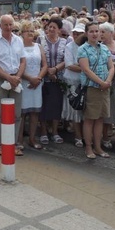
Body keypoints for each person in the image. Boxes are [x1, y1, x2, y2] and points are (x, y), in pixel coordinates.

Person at [0, 14, 26, 155]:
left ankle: (14, 144)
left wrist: (17, 77)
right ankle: (0, 143)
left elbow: (23, 61)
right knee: (0, 113)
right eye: (6, 25)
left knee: (16, 114)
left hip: (16, 78)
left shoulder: (18, 40)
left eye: (11, 25)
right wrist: (8, 78)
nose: (9, 28)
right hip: (1, 79)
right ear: (0, 26)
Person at [78, 22, 114, 159]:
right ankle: (88, 147)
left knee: (100, 118)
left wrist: (108, 81)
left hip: (104, 88)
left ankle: (98, 147)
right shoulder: (83, 49)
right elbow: (86, 70)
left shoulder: (104, 48)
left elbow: (111, 66)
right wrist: (101, 83)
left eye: (96, 31)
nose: (94, 34)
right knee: (90, 119)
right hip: (92, 88)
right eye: (91, 31)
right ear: (87, 33)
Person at [18, 21, 46, 150]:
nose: (30, 33)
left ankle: (32, 139)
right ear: (21, 33)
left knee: (35, 112)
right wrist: (30, 78)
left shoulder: (38, 46)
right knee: (22, 113)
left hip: (37, 83)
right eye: (27, 30)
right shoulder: (18, 47)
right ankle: (19, 140)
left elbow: (45, 65)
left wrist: (38, 78)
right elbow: (17, 67)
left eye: (32, 30)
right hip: (24, 83)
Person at [38, 17, 66, 145]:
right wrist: (47, 71)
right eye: (50, 27)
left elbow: (67, 60)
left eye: (55, 27)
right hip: (43, 77)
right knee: (43, 105)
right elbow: (38, 58)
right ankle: (43, 131)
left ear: (59, 30)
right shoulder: (40, 40)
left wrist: (55, 69)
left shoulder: (65, 42)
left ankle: (55, 132)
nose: (52, 29)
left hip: (58, 78)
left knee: (56, 105)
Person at [63, 23, 86, 147]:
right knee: (75, 110)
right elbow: (69, 65)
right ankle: (78, 136)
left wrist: (81, 66)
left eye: (79, 33)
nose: (76, 35)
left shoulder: (87, 46)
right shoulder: (69, 46)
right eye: (74, 33)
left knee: (85, 110)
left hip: (85, 82)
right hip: (73, 82)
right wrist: (86, 68)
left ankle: (86, 135)